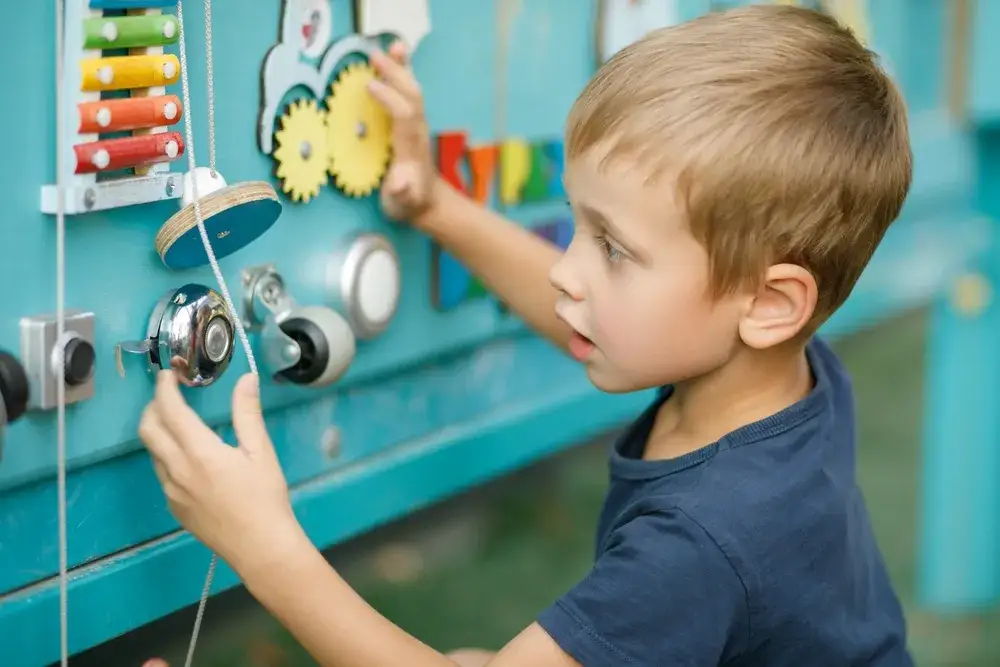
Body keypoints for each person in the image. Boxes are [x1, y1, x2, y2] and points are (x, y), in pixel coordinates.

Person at [138, 5, 915, 666]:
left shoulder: (703, 542)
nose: (571, 273)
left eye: (613, 248)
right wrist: (436, 207)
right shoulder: (777, 373)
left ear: (772, 303)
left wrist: (265, 548)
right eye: (579, 225)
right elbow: (583, 314)